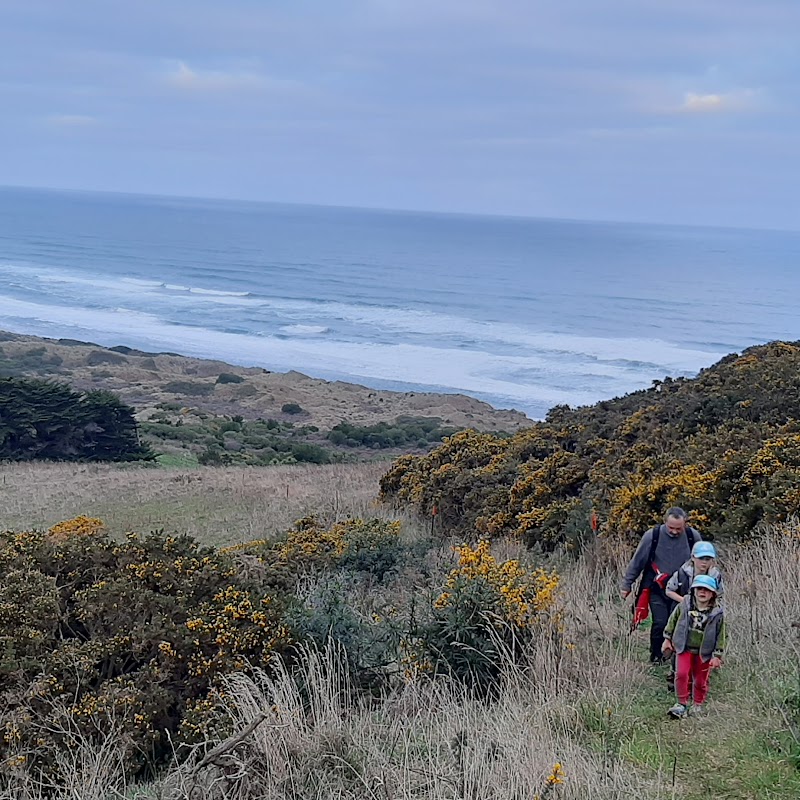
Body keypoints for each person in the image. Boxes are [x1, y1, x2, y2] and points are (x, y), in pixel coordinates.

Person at [620, 507, 701, 663]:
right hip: (657, 588)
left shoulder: (693, 537)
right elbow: (637, 562)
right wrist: (627, 585)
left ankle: (675, 658)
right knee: (660, 622)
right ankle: (656, 656)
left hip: (682, 591)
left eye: (679, 528)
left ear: (685, 524)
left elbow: (703, 563)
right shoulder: (652, 536)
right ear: (665, 522)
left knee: (678, 623)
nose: (675, 532)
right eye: (671, 528)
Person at [661, 574, 725, 718]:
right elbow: (672, 620)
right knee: (681, 674)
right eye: (699, 589)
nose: (702, 592)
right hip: (683, 647)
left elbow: (721, 634)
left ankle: (697, 704)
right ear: (693, 590)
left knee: (700, 680)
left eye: (707, 590)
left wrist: (717, 655)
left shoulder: (717, 613)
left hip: (704, 651)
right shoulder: (684, 604)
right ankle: (681, 703)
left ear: (713, 594)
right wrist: (667, 639)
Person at [666, 541, 724, 605]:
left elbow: (720, 595)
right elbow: (669, 591)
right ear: (693, 557)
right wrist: (685, 602)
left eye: (707, 559)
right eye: (701, 558)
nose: (704, 562)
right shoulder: (682, 574)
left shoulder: (715, 576)